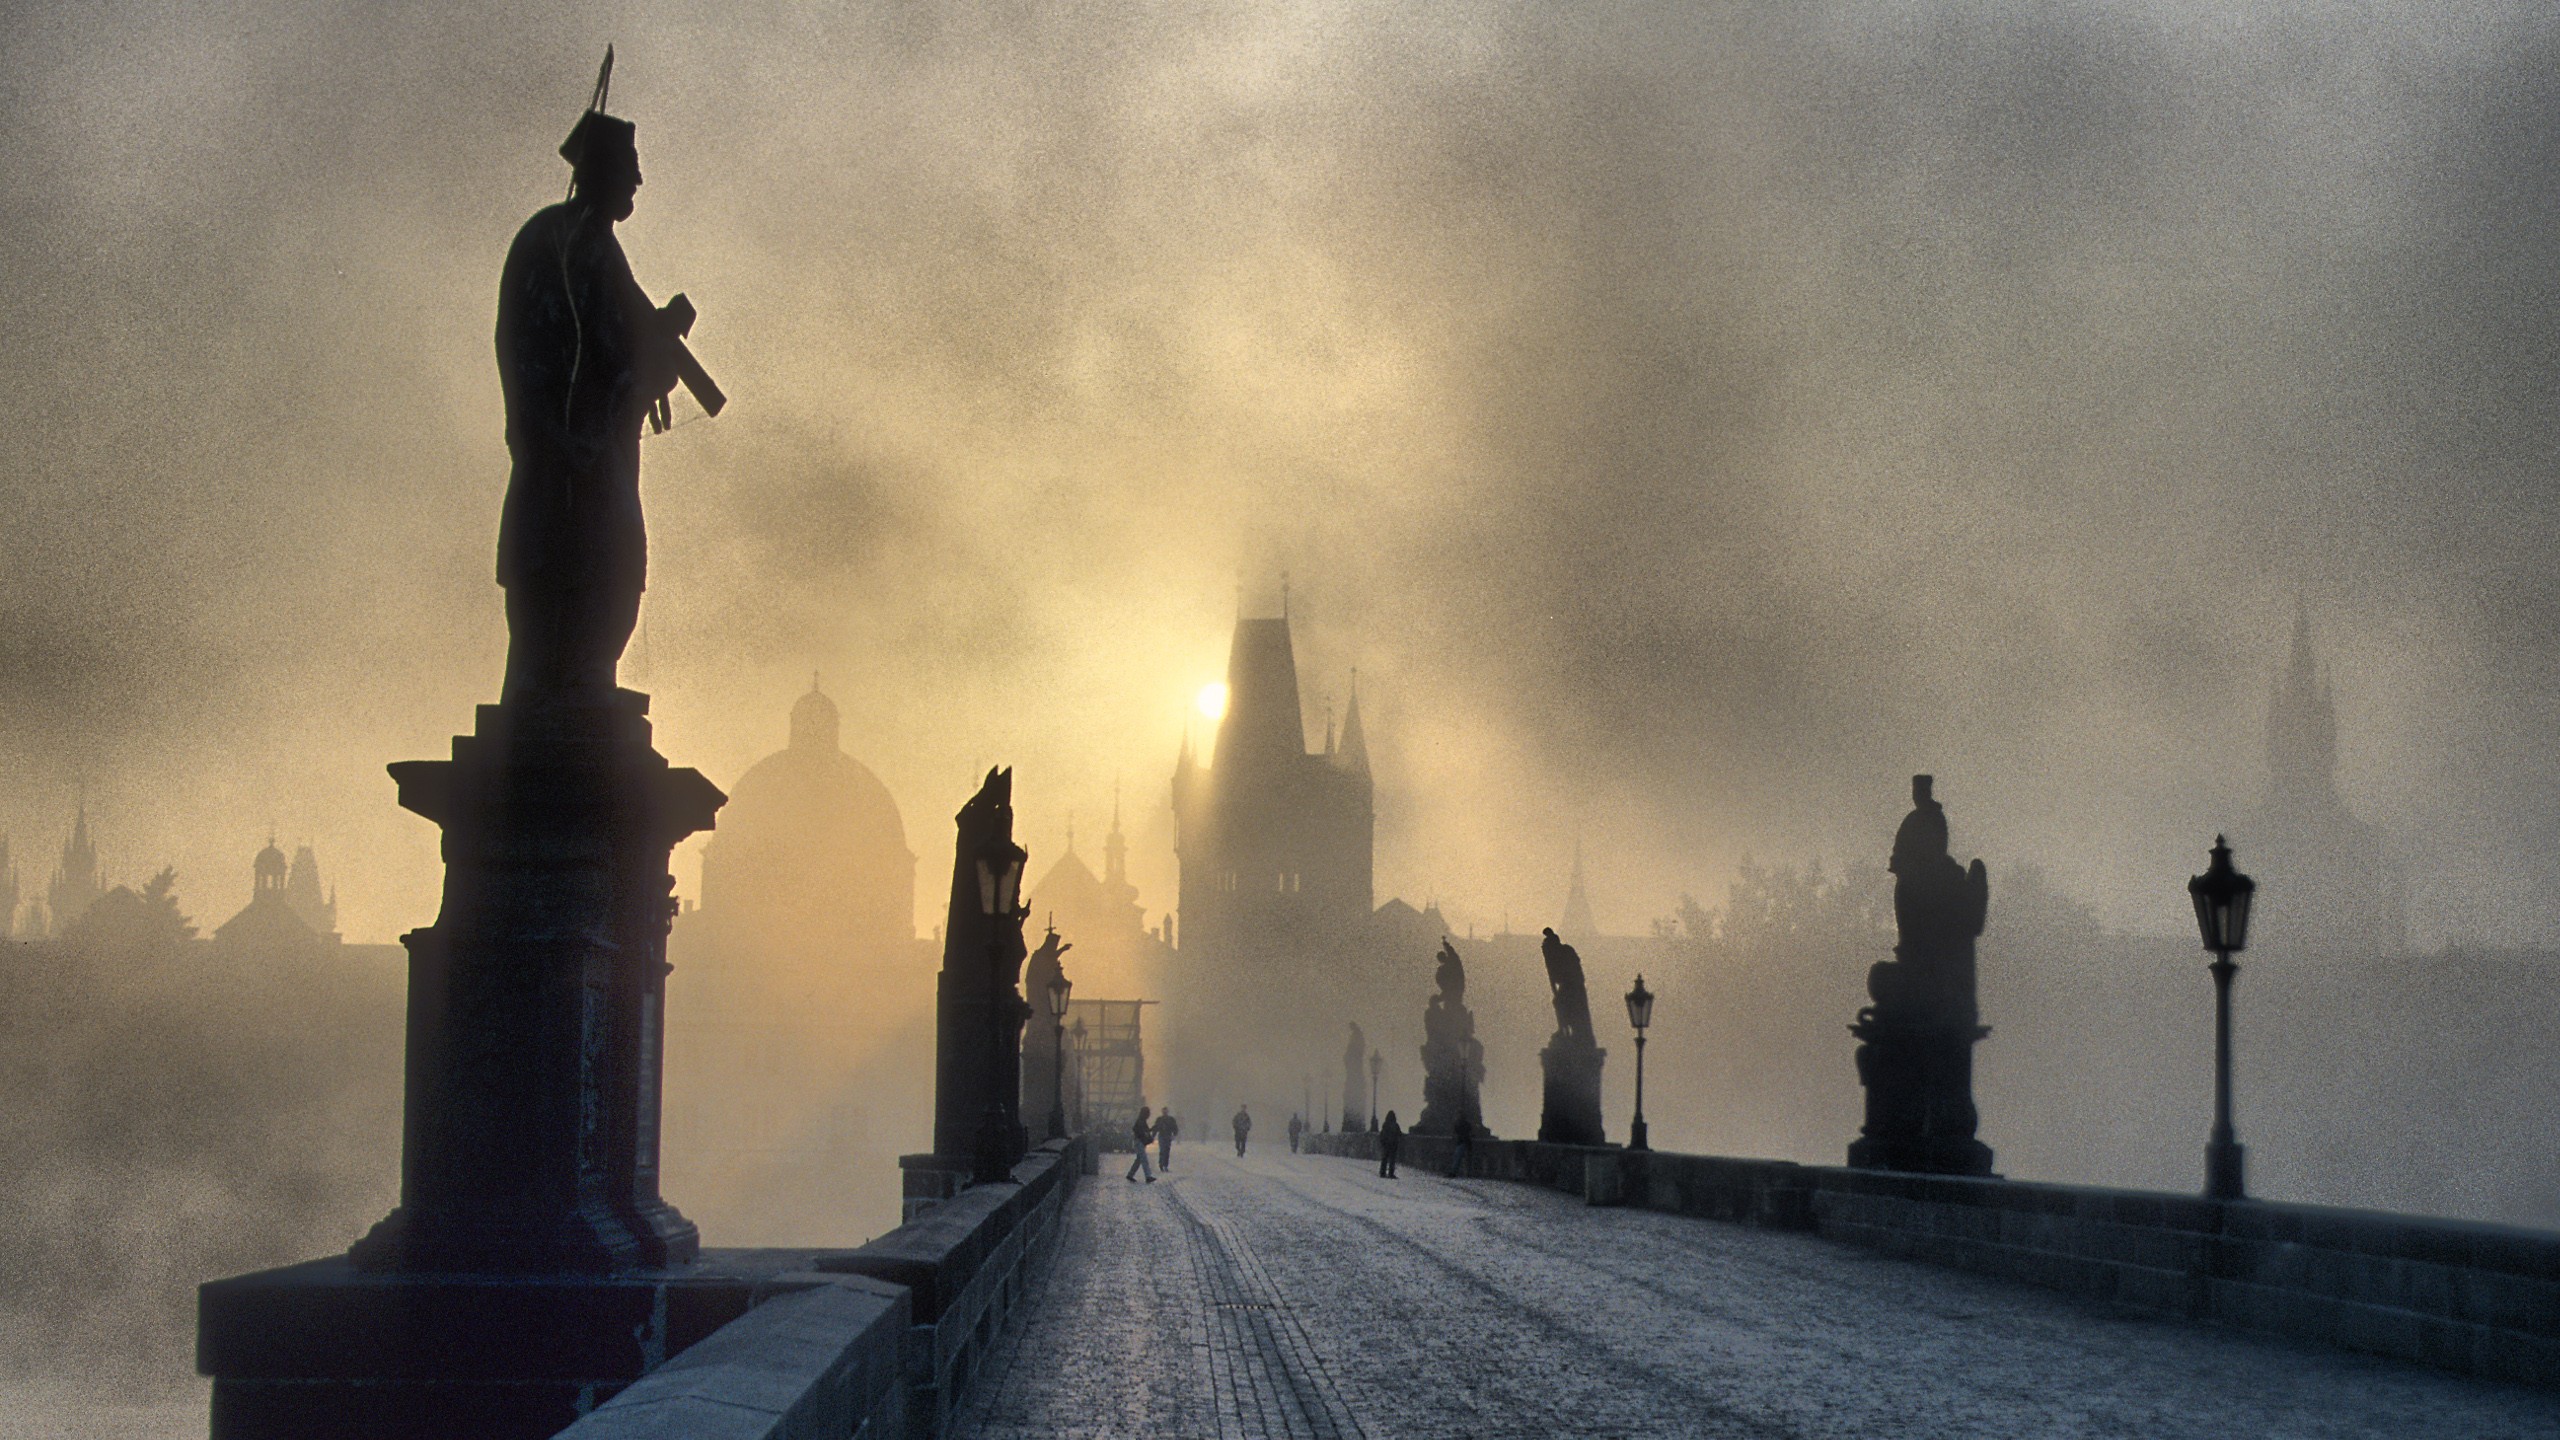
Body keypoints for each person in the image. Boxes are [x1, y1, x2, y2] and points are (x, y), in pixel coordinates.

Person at [496, 96, 695, 699]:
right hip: (566, 455)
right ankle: (562, 700)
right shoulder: (554, 242)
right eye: (628, 164)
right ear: (598, 170)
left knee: (614, 575)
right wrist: (639, 373)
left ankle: (585, 690)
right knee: (568, 580)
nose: (637, 178)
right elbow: (551, 346)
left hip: (597, 454)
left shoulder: (600, 251)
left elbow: (619, 347)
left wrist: (655, 349)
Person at [1125, 1106, 1156, 1183]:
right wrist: (1146, 1136)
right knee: (1144, 1159)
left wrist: (1151, 1130)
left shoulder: (1141, 1121)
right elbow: (1141, 1131)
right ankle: (1148, 1176)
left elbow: (1144, 1130)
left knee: (1139, 1160)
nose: (1149, 1115)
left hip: (1139, 1142)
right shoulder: (1141, 1121)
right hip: (1139, 1142)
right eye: (1148, 1113)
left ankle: (1130, 1175)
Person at [1378, 1110, 1404, 1178]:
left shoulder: (1385, 1124)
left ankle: (1382, 1173)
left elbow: (1382, 1134)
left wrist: (1383, 1142)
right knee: (1392, 1160)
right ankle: (1391, 1173)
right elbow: (1400, 1134)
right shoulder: (1396, 1125)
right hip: (1393, 1145)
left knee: (1384, 1159)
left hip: (1386, 1144)